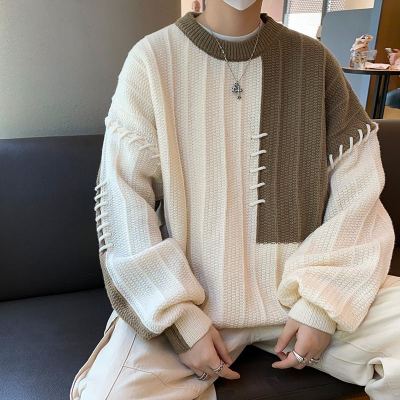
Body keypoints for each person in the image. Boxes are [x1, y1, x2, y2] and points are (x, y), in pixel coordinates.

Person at [70, 1, 400, 399]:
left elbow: (359, 192)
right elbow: (123, 202)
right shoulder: (153, 59)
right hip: (196, 306)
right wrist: (180, 322)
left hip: (304, 295)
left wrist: (321, 305)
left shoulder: (315, 61)